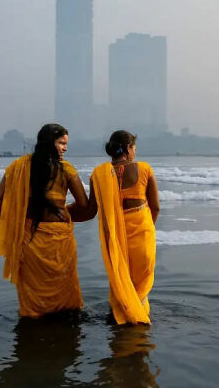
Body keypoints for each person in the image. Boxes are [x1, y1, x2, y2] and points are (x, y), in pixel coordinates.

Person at [0, 123, 88, 318]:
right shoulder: (65, 169)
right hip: (59, 237)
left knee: (32, 286)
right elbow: (84, 204)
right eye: (61, 143)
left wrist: (13, 222)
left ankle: (33, 321)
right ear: (49, 142)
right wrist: (65, 211)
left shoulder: (18, 167)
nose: (65, 148)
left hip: (29, 235)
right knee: (64, 283)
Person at [71, 130, 160, 325]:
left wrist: (60, 215)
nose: (135, 151)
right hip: (143, 233)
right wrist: (147, 228)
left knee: (121, 281)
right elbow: (156, 207)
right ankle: (139, 325)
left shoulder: (98, 174)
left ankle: (121, 322)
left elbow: (90, 212)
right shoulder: (144, 169)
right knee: (140, 285)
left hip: (115, 239)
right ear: (129, 148)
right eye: (134, 148)